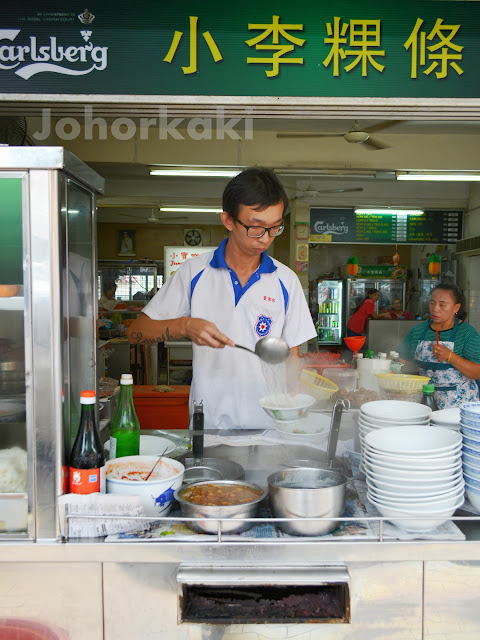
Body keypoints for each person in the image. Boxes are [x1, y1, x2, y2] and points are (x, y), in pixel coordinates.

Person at [127, 167, 317, 429]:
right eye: (256, 227)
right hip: (209, 426)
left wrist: (295, 391)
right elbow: (137, 333)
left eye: (274, 228)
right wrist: (184, 325)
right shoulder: (193, 273)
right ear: (228, 220)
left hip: (269, 427)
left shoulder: (286, 281)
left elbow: (291, 354)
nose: (265, 239)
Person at [398, 283, 480, 409]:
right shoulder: (418, 330)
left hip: (457, 406)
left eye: (442, 305)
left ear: (456, 308)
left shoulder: (467, 333)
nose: (435, 309)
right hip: (423, 402)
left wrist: (450, 357)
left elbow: (477, 372)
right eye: (432, 303)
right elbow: (401, 359)